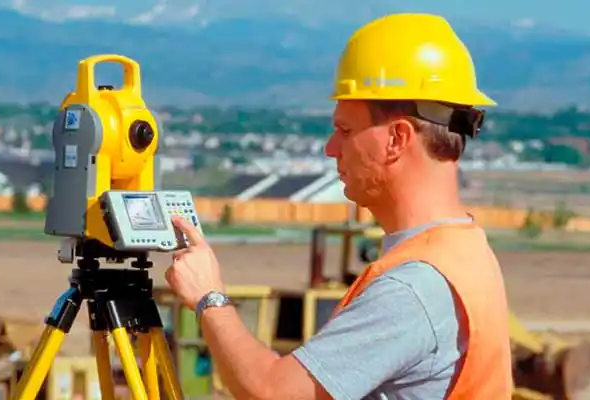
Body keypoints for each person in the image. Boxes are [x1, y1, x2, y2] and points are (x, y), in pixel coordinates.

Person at [165, 12, 514, 400]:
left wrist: (208, 296)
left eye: (346, 130)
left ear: (397, 139)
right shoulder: (465, 250)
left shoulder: (413, 287)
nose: (331, 148)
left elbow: (272, 394)